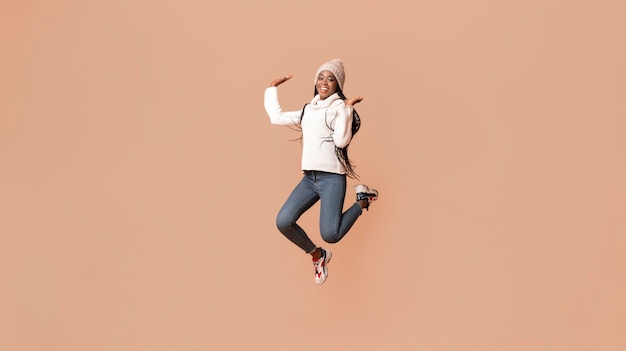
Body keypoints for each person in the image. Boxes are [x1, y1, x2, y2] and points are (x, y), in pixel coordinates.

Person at [264, 59, 379, 284]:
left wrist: (347, 111)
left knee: (331, 235)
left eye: (331, 78)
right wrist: (271, 88)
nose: (324, 82)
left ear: (338, 84)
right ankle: (318, 255)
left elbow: (341, 140)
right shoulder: (309, 109)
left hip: (332, 179)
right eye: (320, 77)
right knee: (283, 221)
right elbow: (276, 118)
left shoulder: (339, 108)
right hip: (309, 179)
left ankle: (362, 201)